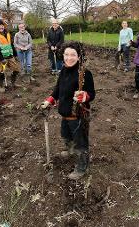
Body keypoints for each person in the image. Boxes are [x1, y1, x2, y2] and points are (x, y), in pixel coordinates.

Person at [40, 41, 95, 180]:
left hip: (78, 115)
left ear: (79, 56)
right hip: (64, 113)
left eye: (73, 55)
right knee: (65, 135)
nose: (69, 58)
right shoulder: (64, 70)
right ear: (63, 55)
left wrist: (84, 96)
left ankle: (82, 167)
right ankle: (69, 149)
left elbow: (92, 94)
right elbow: (58, 89)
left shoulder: (84, 73)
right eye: (66, 54)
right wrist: (50, 100)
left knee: (80, 143)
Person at [0, 19, 20, 92]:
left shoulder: (7, 33)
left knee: (16, 69)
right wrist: (1, 59)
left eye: (2, 25)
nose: (1, 27)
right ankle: (0, 86)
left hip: (10, 55)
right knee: (2, 72)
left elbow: (11, 45)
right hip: (2, 57)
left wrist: (15, 54)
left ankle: (13, 83)